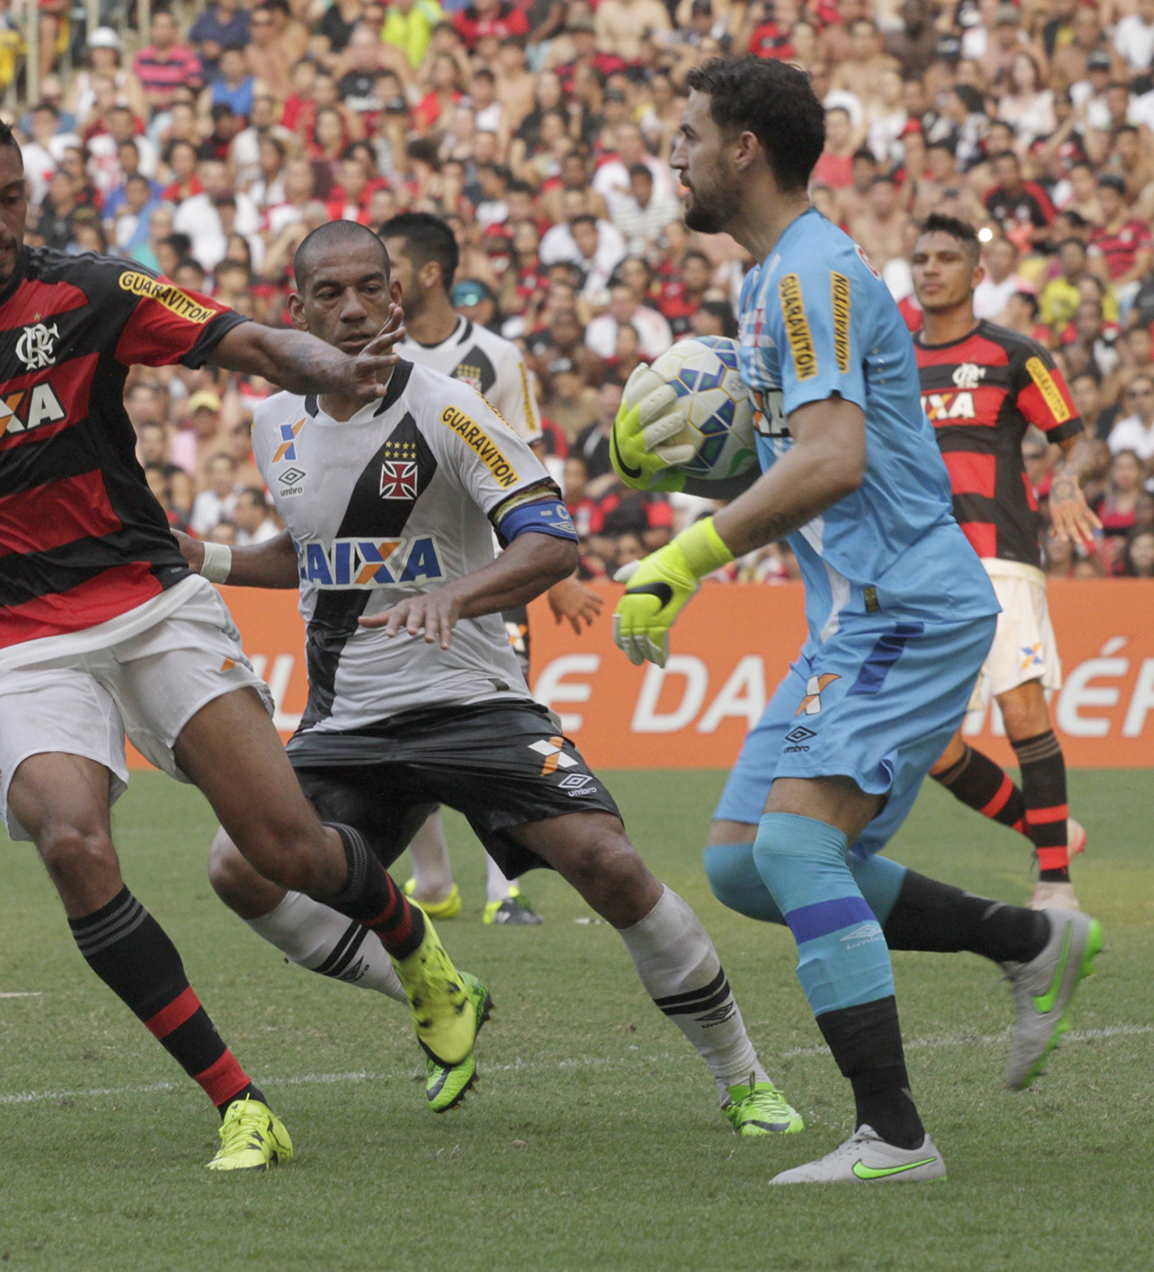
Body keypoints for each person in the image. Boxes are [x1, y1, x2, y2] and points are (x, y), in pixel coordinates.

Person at [0, 110, 483, 1173]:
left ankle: (419, 952)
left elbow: (244, 337)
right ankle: (240, 1100)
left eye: (13, 196)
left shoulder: (94, 290)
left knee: (284, 847)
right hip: (14, 638)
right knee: (70, 838)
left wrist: (319, 363)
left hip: (150, 603)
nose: (1, 220)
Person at [186, 218, 805, 1134]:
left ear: (399, 300)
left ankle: (743, 1077)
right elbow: (317, 553)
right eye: (330, 294)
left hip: (473, 703)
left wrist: (461, 598)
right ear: (296, 309)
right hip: (349, 720)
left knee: (612, 867)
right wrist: (204, 557)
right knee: (239, 868)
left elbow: (553, 540)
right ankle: (435, 984)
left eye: (369, 289)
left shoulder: (448, 406)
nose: (352, 309)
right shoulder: (277, 418)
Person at [612, 57, 1102, 1185]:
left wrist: (684, 558)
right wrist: (697, 454)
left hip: (910, 607)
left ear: (745, 149)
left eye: (688, 134)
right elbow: (807, 447)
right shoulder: (773, 279)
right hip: (854, 618)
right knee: (744, 864)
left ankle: (895, 1134)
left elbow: (838, 458)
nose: (672, 153)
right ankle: (1030, 939)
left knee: (795, 845)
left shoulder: (811, 275)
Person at [378, 210, 604, 926]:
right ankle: (436, 881)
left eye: (389, 268)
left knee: (499, 710)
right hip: (397, 571)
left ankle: (505, 888)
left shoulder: (497, 359)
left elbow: (529, 464)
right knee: (397, 718)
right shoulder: (372, 352)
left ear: (428, 274)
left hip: (484, 573)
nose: (376, 283)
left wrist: (556, 573)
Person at [909, 215, 1095, 911]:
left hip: (999, 557)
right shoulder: (892, 361)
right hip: (921, 569)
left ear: (976, 273)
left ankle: (1055, 886)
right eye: (922, 258)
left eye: (947, 258)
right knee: (931, 748)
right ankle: (1048, 832)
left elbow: (1075, 439)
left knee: (1023, 714)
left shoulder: (1016, 354)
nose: (932, 269)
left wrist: (1069, 479)